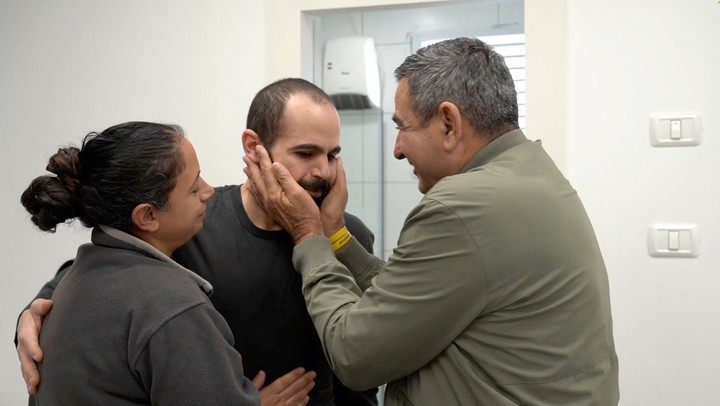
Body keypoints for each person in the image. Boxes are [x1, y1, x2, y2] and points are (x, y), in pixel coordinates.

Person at [244, 37, 620, 405]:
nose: (397, 149)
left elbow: (354, 357)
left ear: (448, 123)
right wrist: (337, 236)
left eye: (402, 127)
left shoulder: (462, 206)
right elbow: (420, 300)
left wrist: (309, 236)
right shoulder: (534, 174)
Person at [15, 79, 378, 405]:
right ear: (254, 147)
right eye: (305, 153)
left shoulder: (347, 237)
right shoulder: (191, 224)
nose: (323, 172)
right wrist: (30, 316)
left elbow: (362, 363)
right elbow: (102, 273)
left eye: (332, 155)